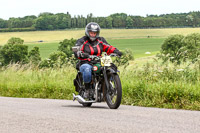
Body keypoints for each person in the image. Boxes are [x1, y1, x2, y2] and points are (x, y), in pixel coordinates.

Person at [74, 22, 122, 90]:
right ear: (87, 32)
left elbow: (108, 47)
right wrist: (80, 53)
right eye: (91, 33)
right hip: (85, 62)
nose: (93, 35)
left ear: (97, 33)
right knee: (87, 69)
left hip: (99, 62)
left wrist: (116, 51)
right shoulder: (82, 40)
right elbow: (77, 49)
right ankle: (87, 89)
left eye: (94, 33)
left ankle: (107, 85)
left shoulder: (101, 40)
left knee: (112, 67)